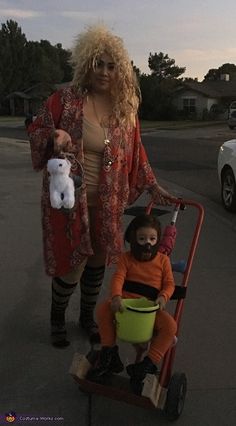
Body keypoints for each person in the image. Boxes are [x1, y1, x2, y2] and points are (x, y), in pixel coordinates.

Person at [28, 24, 175, 349]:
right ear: (86, 64)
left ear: (120, 68)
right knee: (73, 264)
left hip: (108, 203)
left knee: (97, 261)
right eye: (98, 64)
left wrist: (152, 185)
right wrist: (55, 137)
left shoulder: (126, 108)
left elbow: (137, 152)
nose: (104, 72)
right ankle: (57, 318)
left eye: (111, 65)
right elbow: (36, 127)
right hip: (68, 200)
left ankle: (86, 318)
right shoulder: (65, 100)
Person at [92, 214, 177, 384]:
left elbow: (169, 284)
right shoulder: (126, 258)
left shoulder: (163, 261)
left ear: (158, 240)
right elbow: (118, 277)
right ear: (133, 239)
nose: (148, 243)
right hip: (125, 306)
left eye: (152, 238)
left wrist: (163, 297)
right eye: (142, 238)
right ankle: (109, 352)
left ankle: (148, 363)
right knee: (103, 309)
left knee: (170, 326)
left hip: (150, 310)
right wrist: (116, 297)